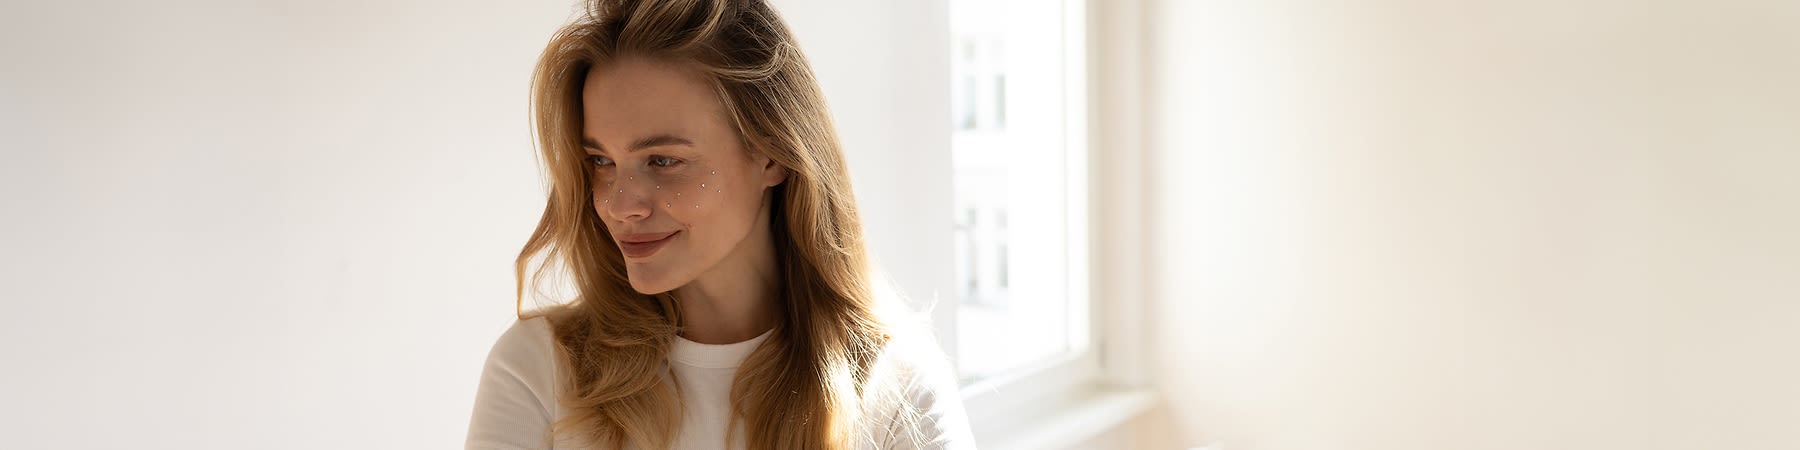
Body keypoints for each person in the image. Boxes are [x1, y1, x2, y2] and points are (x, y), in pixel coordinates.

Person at [465, 0, 975, 448]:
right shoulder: (538, 370)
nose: (620, 204)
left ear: (772, 155)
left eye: (663, 161)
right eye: (601, 161)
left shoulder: (896, 386)